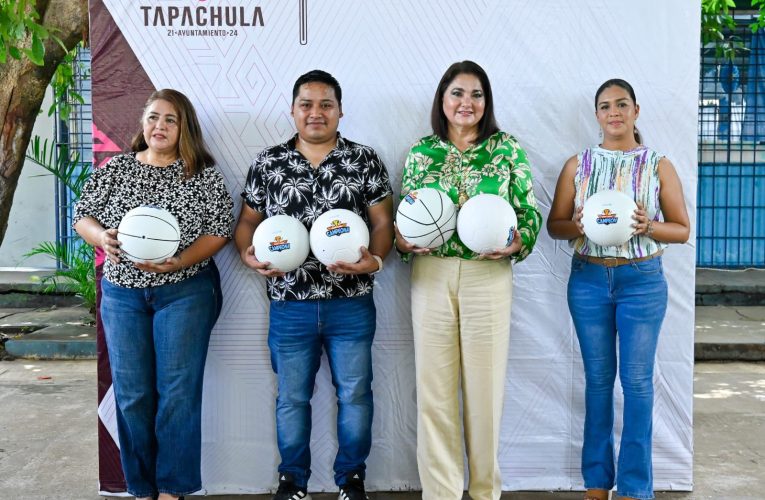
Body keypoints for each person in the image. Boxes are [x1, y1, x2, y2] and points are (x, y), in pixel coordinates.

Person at [234, 69, 394, 500]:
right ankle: (292, 480)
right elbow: (247, 222)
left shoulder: (364, 159)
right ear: (292, 110)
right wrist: (249, 253)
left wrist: (375, 260)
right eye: (306, 104)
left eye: (326, 104)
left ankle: (352, 479)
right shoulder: (269, 163)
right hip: (290, 303)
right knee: (291, 397)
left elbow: (383, 221)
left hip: (351, 302)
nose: (316, 112)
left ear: (340, 111)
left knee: (356, 394)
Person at [73, 89, 234, 500]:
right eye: (153, 117)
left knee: (178, 392)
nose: (159, 126)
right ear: (143, 123)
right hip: (124, 293)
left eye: (170, 119)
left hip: (184, 292)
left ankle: (172, 489)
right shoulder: (117, 169)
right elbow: (83, 216)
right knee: (132, 392)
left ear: (185, 129)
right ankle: (141, 488)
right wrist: (102, 238)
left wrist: (180, 262)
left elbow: (219, 231)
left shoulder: (201, 173)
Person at [396, 60, 542, 500]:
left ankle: (484, 493)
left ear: (486, 102)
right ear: (443, 99)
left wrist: (518, 243)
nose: (467, 102)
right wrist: (404, 244)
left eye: (476, 94)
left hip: (488, 275)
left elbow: (529, 212)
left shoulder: (507, 150)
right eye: (457, 93)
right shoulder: (422, 153)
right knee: (435, 392)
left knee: (485, 391)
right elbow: (406, 216)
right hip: (432, 275)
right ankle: (440, 493)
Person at [547, 79, 691, 500]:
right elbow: (555, 226)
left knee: (638, 383)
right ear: (597, 115)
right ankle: (596, 483)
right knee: (597, 381)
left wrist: (650, 225)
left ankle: (633, 488)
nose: (614, 112)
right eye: (606, 106)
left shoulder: (658, 164)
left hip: (642, 281)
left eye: (622, 104)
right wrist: (577, 224)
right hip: (589, 280)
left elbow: (681, 230)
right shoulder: (579, 165)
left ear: (636, 111)